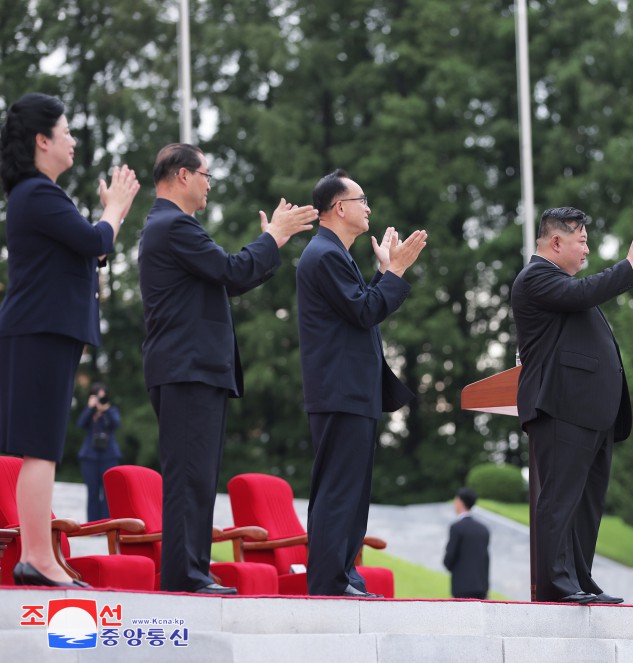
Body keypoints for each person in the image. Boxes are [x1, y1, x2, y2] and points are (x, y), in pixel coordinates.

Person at [138, 143, 315, 594]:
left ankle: (192, 571)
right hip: (187, 369)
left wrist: (270, 242)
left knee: (197, 476)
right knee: (189, 477)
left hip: (191, 368)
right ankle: (186, 576)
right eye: (206, 175)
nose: (209, 184)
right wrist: (274, 235)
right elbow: (232, 271)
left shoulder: (170, 227)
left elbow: (230, 277)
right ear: (182, 175)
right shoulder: (174, 225)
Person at [0, 92, 139, 587]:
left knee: (44, 447)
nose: (73, 140)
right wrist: (116, 208)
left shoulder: (38, 195)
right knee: (40, 448)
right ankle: (36, 556)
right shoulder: (37, 193)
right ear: (43, 140)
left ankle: (42, 556)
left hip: (43, 328)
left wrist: (102, 227)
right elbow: (96, 242)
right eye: (66, 132)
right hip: (40, 328)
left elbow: (85, 253)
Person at [297, 169, 426, 597]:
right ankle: (330, 581)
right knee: (339, 489)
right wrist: (396, 272)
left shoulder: (336, 254)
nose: (368, 208)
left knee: (351, 490)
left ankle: (344, 576)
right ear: (339, 208)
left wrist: (384, 274)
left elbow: (359, 309)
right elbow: (365, 312)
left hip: (351, 392)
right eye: (361, 200)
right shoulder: (325, 254)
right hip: (340, 392)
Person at [511, 206, 633, 604]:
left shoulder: (560, 284)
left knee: (586, 504)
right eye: (582, 241)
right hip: (561, 407)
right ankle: (556, 583)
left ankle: (578, 578)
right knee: (561, 497)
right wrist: (629, 266)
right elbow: (584, 292)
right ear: (556, 241)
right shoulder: (536, 276)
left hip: (589, 411)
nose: (586, 250)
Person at [76, 382, 122, 522]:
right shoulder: (89, 413)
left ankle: (106, 524)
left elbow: (116, 423)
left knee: (108, 492)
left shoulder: (111, 411)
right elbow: (80, 424)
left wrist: (105, 410)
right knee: (93, 491)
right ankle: (93, 525)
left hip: (109, 456)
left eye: (103, 397)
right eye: (98, 397)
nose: (101, 400)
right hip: (90, 457)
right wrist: (90, 409)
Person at [443, 487, 491, 599]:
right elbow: (486, 558)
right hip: (481, 586)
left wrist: (449, 565)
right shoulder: (483, 529)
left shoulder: (457, 527)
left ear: (460, 502)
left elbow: (450, 555)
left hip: (461, 586)